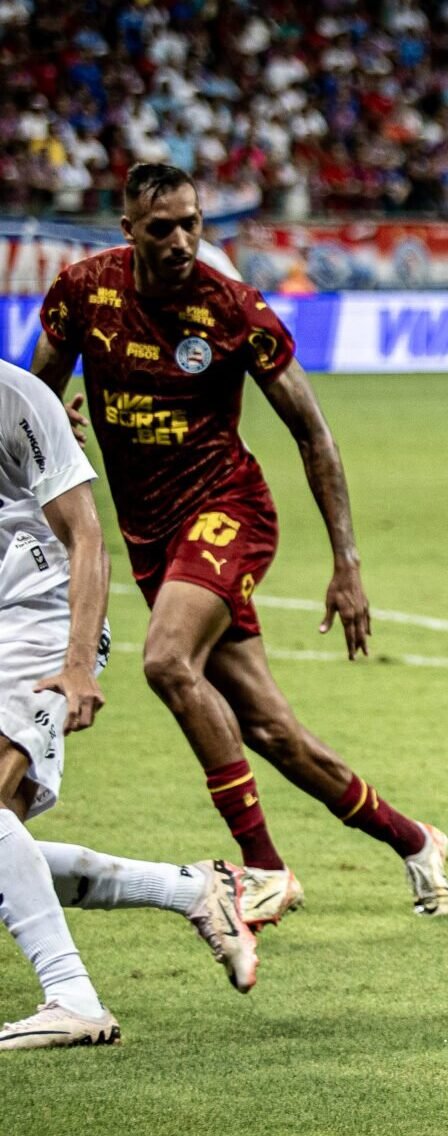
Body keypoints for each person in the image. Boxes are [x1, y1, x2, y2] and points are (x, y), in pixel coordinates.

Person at [31, 163, 448, 914]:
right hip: (153, 537)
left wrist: (346, 564)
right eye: (162, 228)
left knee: (164, 660)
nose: (183, 240)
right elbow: (32, 395)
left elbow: (312, 433)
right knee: (270, 728)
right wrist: (52, 414)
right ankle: (415, 839)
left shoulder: (233, 309)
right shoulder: (83, 292)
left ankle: (264, 867)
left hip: (229, 511)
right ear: (129, 231)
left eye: (193, 223)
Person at [0, 358, 293, 1050]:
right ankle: (192, 890)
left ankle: (73, 996)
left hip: (42, 618)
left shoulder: (14, 396)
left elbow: (88, 538)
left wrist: (76, 666)